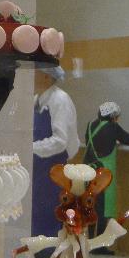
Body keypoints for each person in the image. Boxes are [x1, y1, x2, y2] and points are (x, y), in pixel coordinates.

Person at [32, 66, 80, 239]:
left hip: (53, 169)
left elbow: (60, 141)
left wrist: (30, 148)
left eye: (35, 71)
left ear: (46, 76)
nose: (31, 75)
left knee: (49, 217)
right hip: (38, 169)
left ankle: (50, 254)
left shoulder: (60, 99)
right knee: (36, 217)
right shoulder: (36, 99)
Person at [84, 101, 129, 252]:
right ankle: (99, 246)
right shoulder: (113, 127)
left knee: (92, 205)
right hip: (104, 173)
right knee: (103, 208)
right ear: (113, 116)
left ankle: (90, 242)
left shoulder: (90, 125)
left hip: (89, 170)